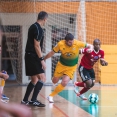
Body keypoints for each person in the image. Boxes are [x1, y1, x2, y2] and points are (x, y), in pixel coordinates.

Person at [44, 33, 93, 103]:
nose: (72, 43)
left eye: (72, 41)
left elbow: (90, 45)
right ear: (66, 41)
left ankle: (51, 96)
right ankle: (55, 81)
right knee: (54, 81)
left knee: (64, 82)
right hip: (61, 65)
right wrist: (43, 59)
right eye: (70, 42)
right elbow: (52, 53)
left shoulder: (77, 43)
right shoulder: (60, 44)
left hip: (71, 67)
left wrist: (90, 49)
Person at [21, 11, 48, 107]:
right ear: (45, 19)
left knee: (34, 79)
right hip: (33, 56)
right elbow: (37, 45)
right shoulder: (39, 29)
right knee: (43, 78)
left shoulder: (32, 26)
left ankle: (25, 100)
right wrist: (41, 60)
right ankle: (33, 100)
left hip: (28, 55)